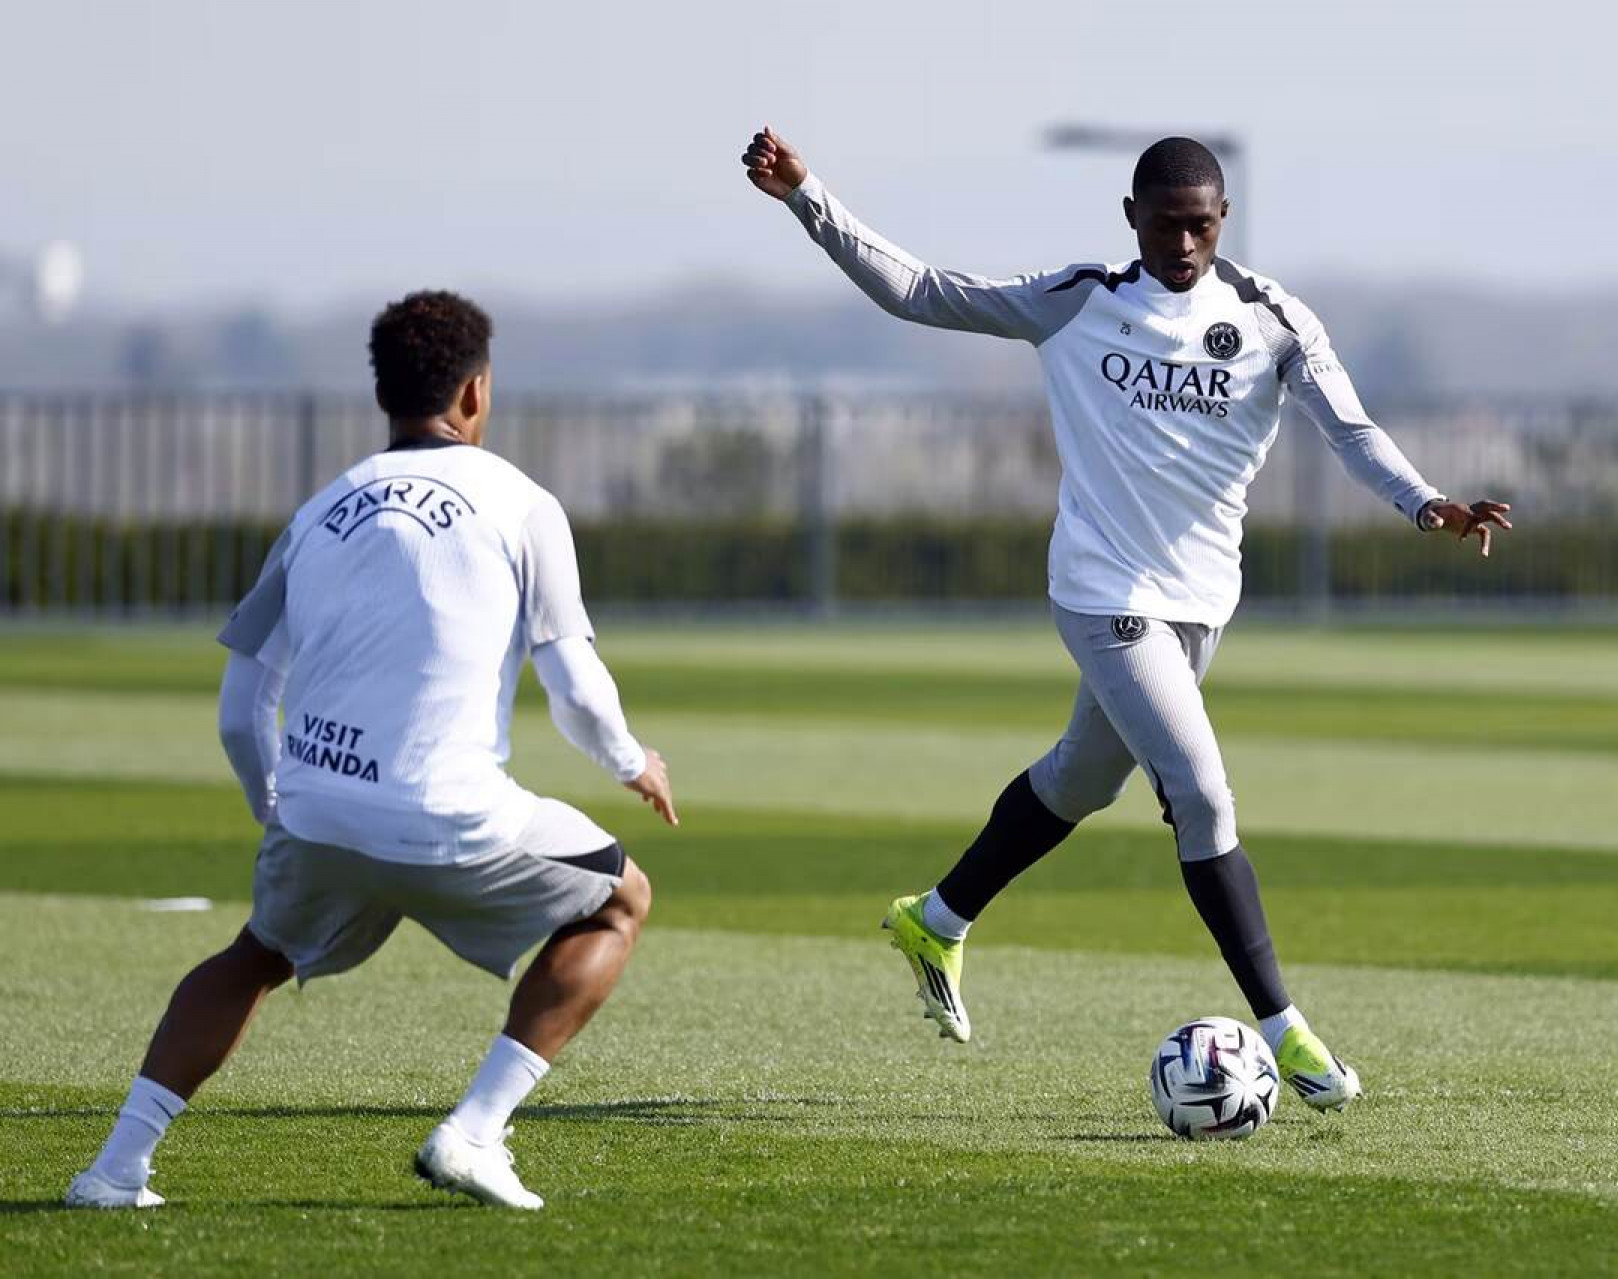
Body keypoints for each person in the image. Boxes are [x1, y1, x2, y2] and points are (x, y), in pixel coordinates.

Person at [742, 126, 1510, 1111]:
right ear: (1130, 220)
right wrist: (809, 196)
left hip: (1199, 606)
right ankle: (1290, 1033)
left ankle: (936, 917)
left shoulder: (1272, 320)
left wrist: (1426, 503)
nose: (1181, 244)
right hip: (1105, 596)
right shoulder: (1078, 303)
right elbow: (920, 288)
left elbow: (1350, 430)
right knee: (1200, 793)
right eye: (1163, 225)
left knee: (1079, 779)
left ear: (1222, 220)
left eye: (1198, 225)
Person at [65, 290, 677, 1211]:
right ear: (474, 392)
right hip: (453, 819)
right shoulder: (521, 501)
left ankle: (114, 1169)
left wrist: (280, 805)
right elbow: (577, 690)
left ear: (384, 394)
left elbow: (242, 708)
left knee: (255, 954)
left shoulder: (320, 510)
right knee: (620, 900)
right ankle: (475, 1131)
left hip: (316, 810)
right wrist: (634, 762)